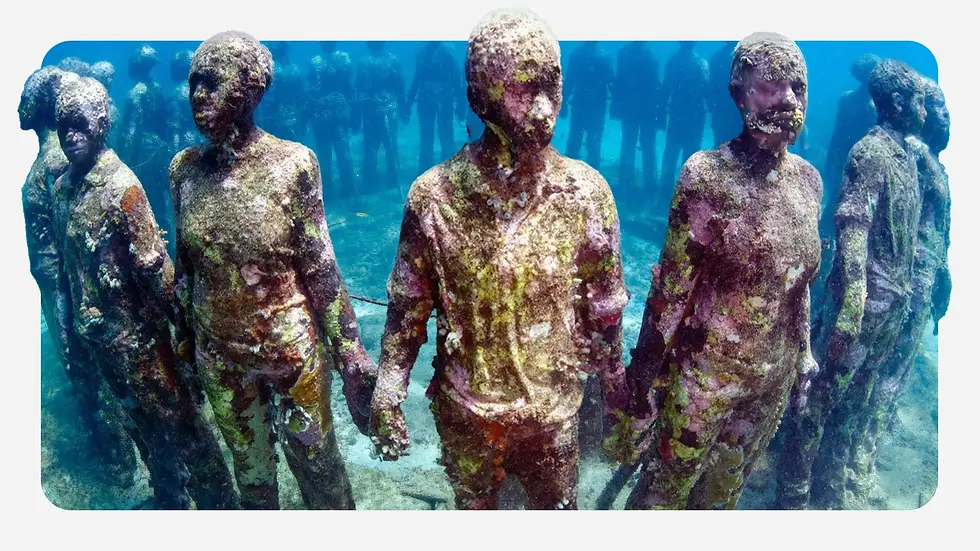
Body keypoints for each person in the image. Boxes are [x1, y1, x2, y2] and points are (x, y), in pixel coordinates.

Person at [368, 8, 632, 510]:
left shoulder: (585, 193)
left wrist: (616, 393)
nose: (542, 108)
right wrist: (389, 384)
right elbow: (409, 305)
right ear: (480, 92)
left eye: (551, 87)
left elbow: (605, 310)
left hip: (553, 414)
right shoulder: (434, 197)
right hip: (466, 412)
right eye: (523, 88)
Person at [169, 30, 378, 510]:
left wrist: (351, 357)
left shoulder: (293, 165)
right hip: (220, 356)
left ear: (249, 89)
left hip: (291, 354)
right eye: (193, 83)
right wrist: (183, 345)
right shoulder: (185, 170)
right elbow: (186, 268)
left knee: (317, 464)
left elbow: (322, 270)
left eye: (212, 83)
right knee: (253, 476)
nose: (198, 95)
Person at [622, 32, 822, 510]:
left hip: (768, 383)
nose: (788, 99)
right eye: (772, 86)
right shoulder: (707, 176)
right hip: (703, 379)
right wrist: (641, 378)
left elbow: (799, 281)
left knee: (721, 499)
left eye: (798, 86)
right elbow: (670, 290)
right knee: (662, 492)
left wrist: (804, 355)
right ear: (739, 92)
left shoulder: (809, 182)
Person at [51, 75, 238, 509]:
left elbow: (155, 268)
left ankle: (222, 507)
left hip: (143, 342)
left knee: (184, 429)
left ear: (102, 123)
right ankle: (170, 499)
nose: (71, 136)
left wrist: (184, 332)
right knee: (141, 429)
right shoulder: (63, 191)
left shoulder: (122, 188)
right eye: (63, 127)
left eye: (79, 124)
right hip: (103, 343)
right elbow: (68, 268)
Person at [776, 59, 926, 510]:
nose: (923, 107)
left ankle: (830, 487)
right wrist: (854, 301)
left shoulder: (906, 157)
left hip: (890, 305)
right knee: (820, 399)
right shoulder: (872, 153)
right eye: (918, 99)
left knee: (856, 402)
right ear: (897, 102)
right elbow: (854, 224)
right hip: (862, 308)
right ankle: (793, 492)